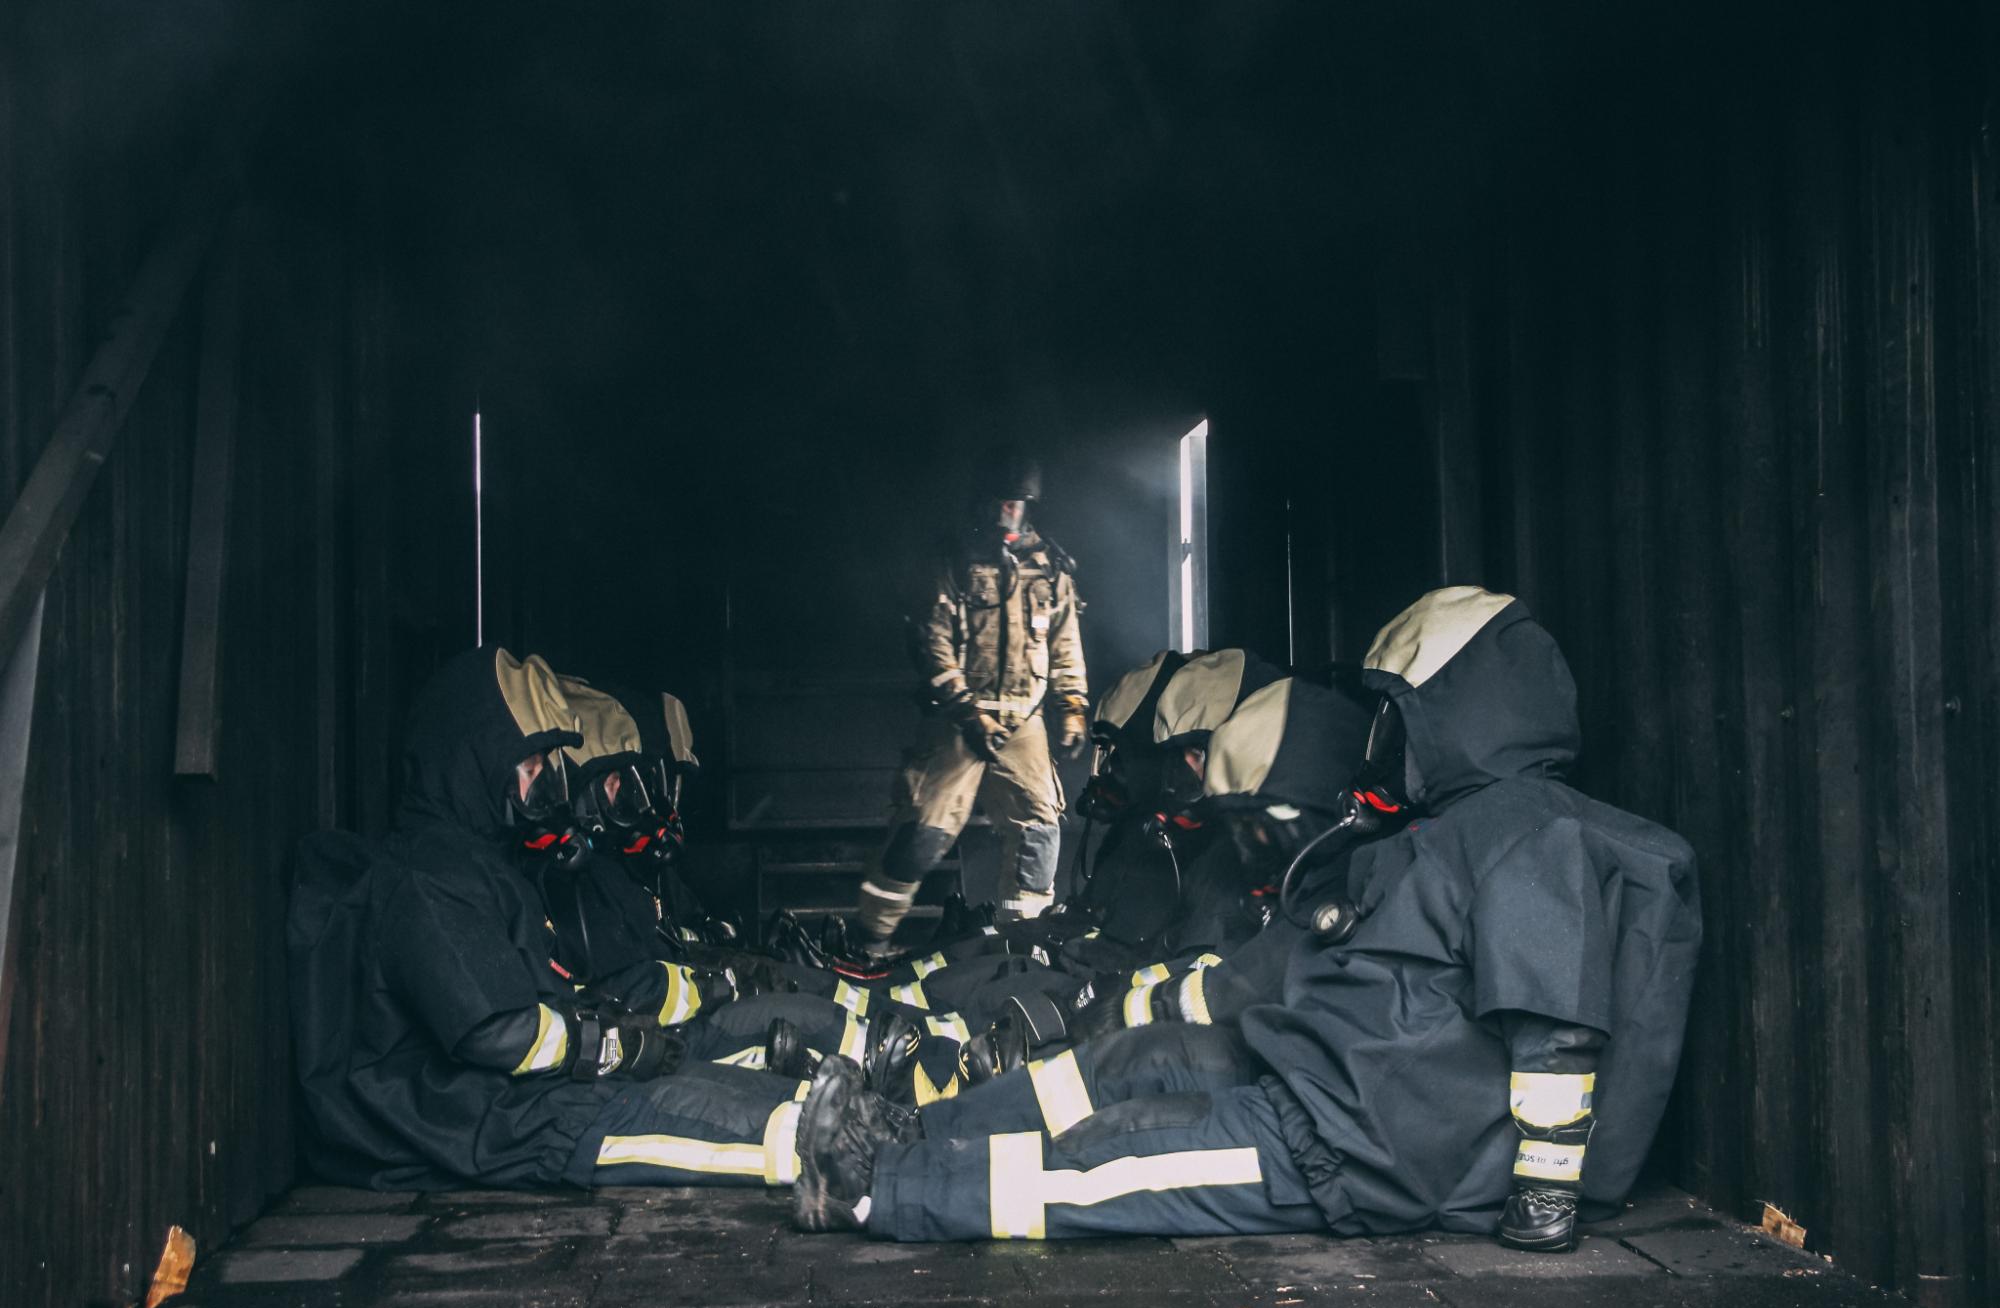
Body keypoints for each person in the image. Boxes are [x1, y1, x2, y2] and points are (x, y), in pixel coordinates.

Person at [790, 587, 1703, 1253]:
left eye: (1398, 713)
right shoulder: (1446, 831)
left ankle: (878, 1188)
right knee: (1135, 1062)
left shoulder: (1531, 831)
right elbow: (1309, 962)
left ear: (1462, 709)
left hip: (1360, 1145)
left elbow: (1554, 1017)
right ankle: (915, 1130)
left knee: (1120, 1159)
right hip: (1318, 1075)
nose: (1382, 738)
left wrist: (1545, 1192)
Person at [289, 647, 813, 1191]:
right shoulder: (429, 877)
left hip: (527, 1100)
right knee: (701, 1122)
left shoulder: (478, 865)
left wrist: (612, 1037)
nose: (541, 788)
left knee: (715, 1092)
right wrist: (609, 1045)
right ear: (475, 761)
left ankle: (842, 1117)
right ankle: (842, 1155)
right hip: (485, 1122)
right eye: (531, 770)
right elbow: (497, 1033)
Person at [853, 452, 1089, 947]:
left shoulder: (1051, 568)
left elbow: (1065, 643)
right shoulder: (955, 562)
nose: (1010, 513)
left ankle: (1021, 944)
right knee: (923, 834)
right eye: (1002, 503)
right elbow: (934, 641)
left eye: (1018, 504)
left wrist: (1072, 707)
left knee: (1039, 832)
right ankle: (870, 940)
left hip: (1023, 721)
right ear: (984, 503)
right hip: (960, 721)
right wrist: (967, 710)